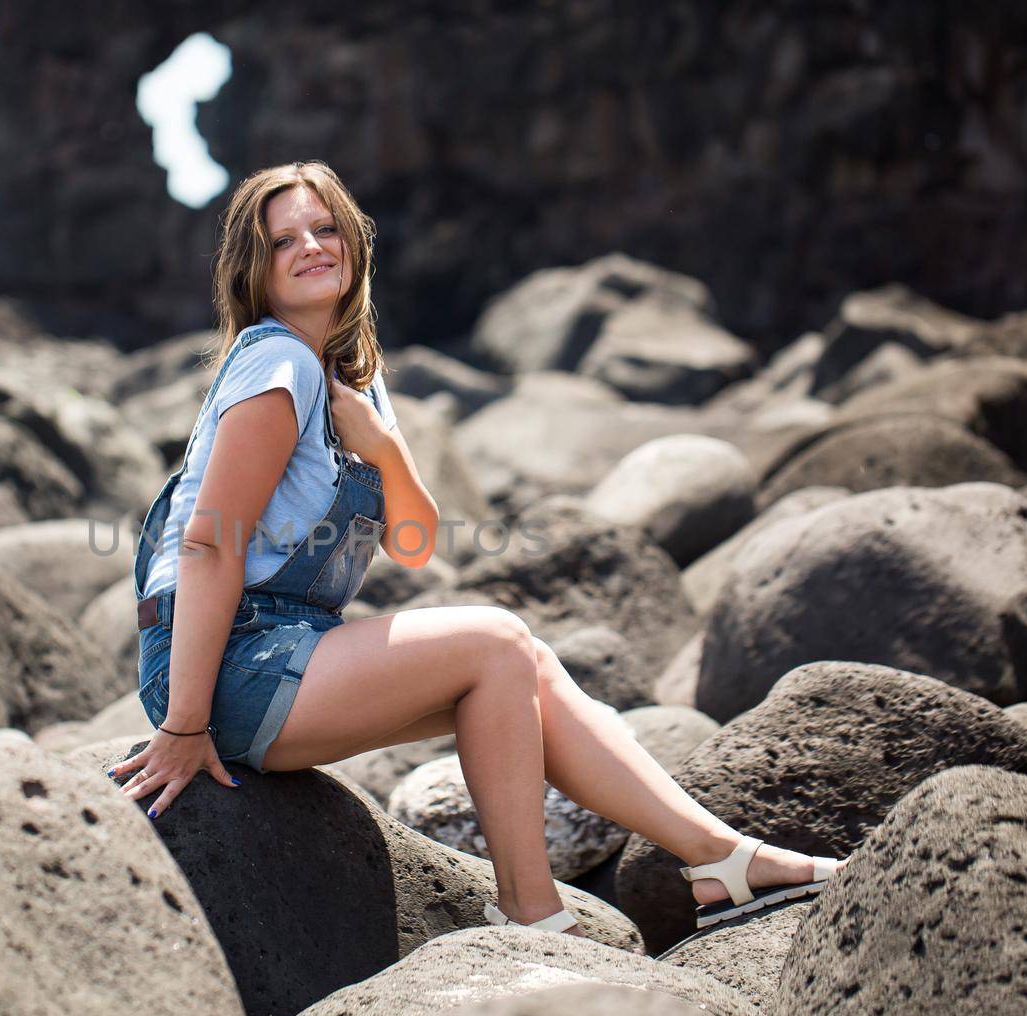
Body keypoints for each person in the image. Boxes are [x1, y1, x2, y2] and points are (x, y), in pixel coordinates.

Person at [110, 160, 846, 935]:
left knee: (525, 663)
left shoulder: (346, 377)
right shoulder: (277, 362)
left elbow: (417, 543)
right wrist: (184, 727)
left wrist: (384, 448)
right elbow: (209, 545)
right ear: (253, 270)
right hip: (223, 658)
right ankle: (533, 915)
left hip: (285, 648)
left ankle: (721, 857)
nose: (312, 247)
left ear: (353, 243)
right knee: (496, 642)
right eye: (284, 239)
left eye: (326, 229)